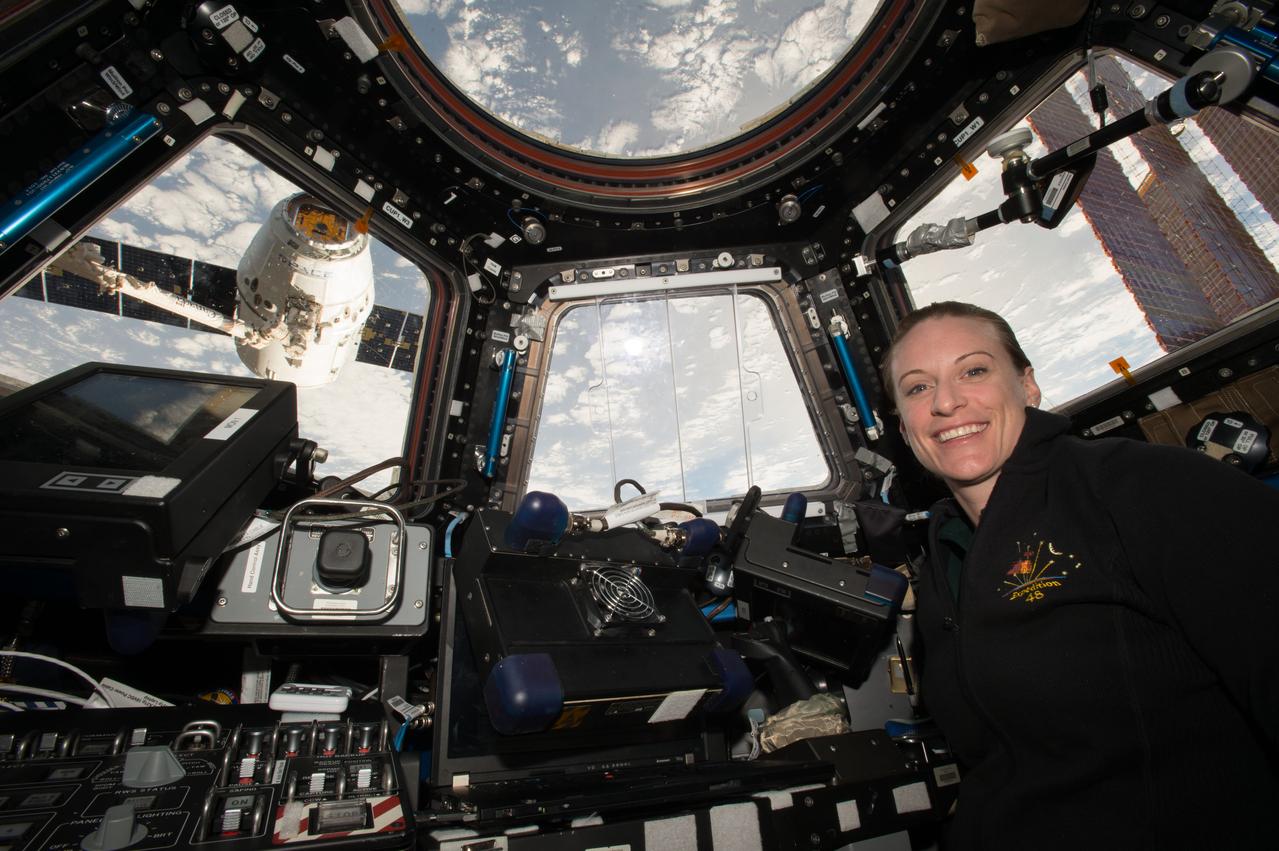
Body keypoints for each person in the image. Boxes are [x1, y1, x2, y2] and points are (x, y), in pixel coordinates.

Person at [884, 300, 1279, 849]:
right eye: (918, 388)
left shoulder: (1148, 488)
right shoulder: (943, 563)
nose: (947, 402)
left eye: (973, 371)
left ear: (1028, 386)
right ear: (905, 428)